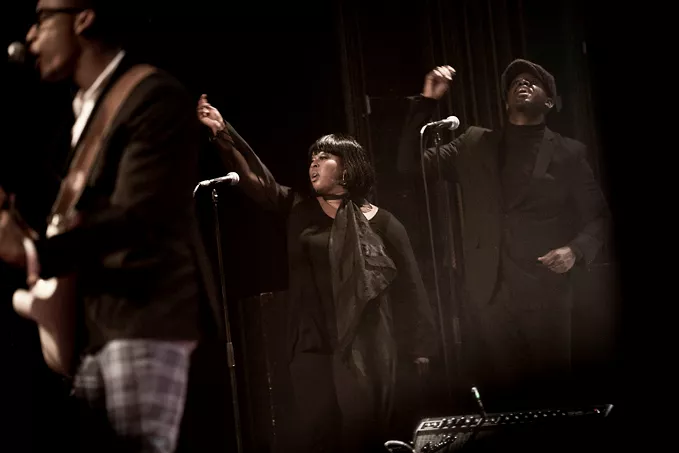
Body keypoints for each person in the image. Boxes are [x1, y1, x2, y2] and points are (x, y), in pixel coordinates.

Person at [0, 1, 228, 452]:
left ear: (83, 17)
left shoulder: (152, 96)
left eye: (43, 19)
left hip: (141, 319)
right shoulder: (85, 113)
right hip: (97, 329)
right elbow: (87, 222)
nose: (29, 36)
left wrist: (33, 255)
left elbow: (136, 219)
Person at [197, 94, 438, 452]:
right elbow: (257, 180)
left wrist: (420, 349)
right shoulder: (299, 209)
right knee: (319, 436)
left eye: (324, 157)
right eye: (312, 158)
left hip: (363, 347)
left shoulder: (384, 223)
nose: (313, 163)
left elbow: (412, 288)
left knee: (362, 437)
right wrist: (222, 133)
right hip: (311, 345)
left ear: (347, 168)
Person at [397, 60, 609, 410]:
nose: (521, 84)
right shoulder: (474, 143)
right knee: (504, 403)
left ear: (549, 101)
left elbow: (598, 216)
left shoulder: (569, 152)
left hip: (545, 292)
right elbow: (410, 164)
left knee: (552, 400)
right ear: (506, 99)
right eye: (515, 82)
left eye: (532, 81)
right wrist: (427, 101)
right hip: (489, 295)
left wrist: (575, 250)